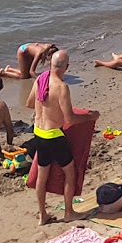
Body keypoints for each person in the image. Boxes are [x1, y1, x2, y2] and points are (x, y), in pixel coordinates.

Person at [28, 49, 79, 224]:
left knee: (42, 177)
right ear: (67, 67)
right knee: (70, 173)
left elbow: (29, 103)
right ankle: (69, 213)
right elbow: (70, 119)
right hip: (55, 136)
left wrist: (45, 107)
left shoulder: (40, 80)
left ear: (50, 64)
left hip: (38, 133)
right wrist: (90, 116)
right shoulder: (62, 87)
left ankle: (43, 215)